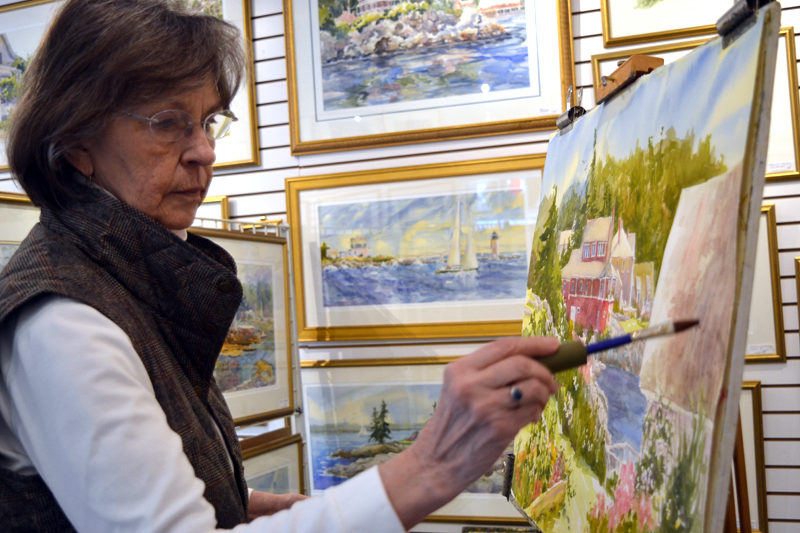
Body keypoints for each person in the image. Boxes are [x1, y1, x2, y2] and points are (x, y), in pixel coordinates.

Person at [0, 1, 559, 531]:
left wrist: (242, 504)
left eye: (209, 121)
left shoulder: (121, 279)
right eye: (169, 123)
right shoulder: (64, 322)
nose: (205, 151)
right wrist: (432, 465)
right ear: (76, 143)